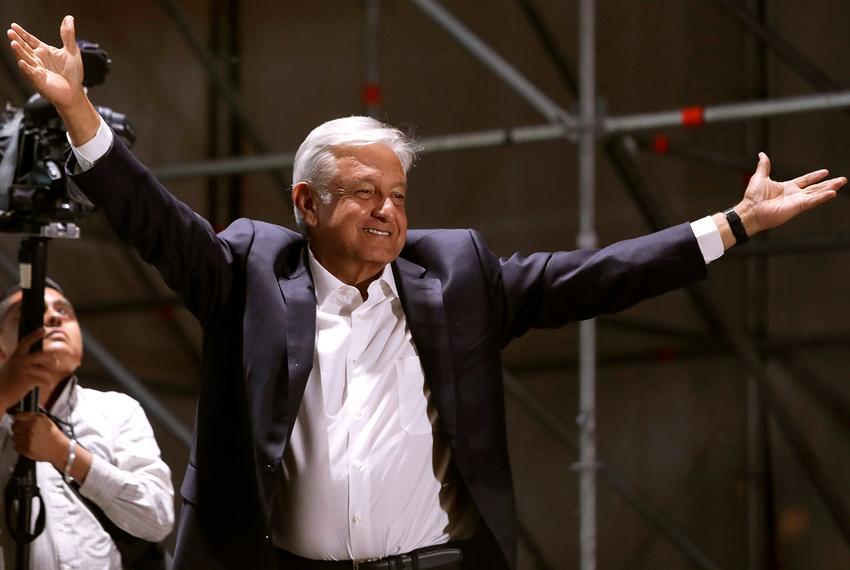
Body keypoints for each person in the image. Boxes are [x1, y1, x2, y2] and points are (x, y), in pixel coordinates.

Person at [6, 15, 845, 570]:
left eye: (400, 194)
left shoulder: (458, 277)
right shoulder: (251, 274)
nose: (389, 210)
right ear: (307, 204)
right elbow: (157, 224)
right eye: (366, 192)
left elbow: (600, 277)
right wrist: (79, 112)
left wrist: (730, 224)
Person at [0, 279, 175, 569]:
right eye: (28, 313)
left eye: (64, 311)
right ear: (2, 350)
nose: (53, 317)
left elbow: (157, 519)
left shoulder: (117, 410)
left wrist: (66, 454)